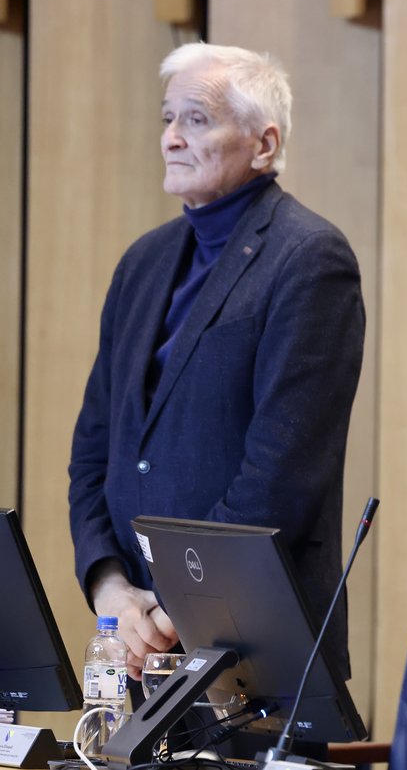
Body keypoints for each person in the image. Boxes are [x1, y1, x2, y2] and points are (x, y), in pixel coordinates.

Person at [68, 43, 365, 684]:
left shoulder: (310, 258)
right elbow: (95, 451)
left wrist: (174, 607)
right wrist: (111, 588)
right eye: (167, 118)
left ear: (264, 144)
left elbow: (281, 475)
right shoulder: (142, 262)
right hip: (134, 641)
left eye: (196, 119)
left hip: (252, 647)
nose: (171, 137)